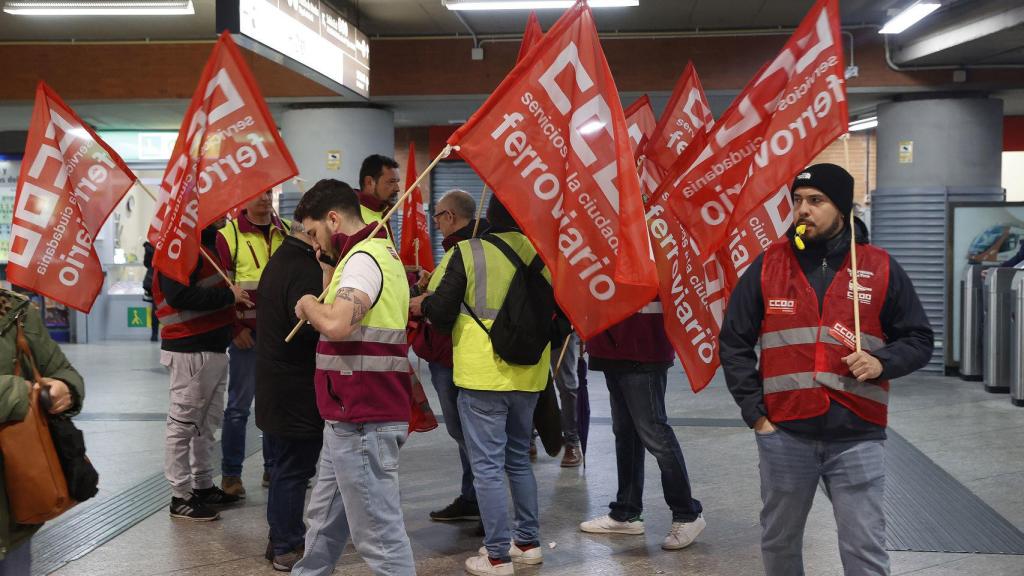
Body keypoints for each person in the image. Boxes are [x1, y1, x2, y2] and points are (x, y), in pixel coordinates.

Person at [719, 163, 934, 576]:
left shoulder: (879, 266)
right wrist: (755, 414)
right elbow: (734, 340)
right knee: (779, 544)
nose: (803, 210)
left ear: (842, 208)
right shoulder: (769, 266)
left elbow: (919, 339)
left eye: (816, 201)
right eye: (798, 201)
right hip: (785, 434)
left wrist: (882, 361)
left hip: (858, 434)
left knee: (865, 549)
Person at [412, 198, 549, 576]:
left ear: (490, 218)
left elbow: (440, 316)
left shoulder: (469, 252)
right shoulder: (544, 255)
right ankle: (528, 542)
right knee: (518, 459)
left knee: (487, 466)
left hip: (482, 374)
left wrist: (425, 305)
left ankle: (496, 556)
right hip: (530, 375)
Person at [291, 179, 415, 576]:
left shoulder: (363, 259)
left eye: (313, 232)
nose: (313, 242)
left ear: (333, 219)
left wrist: (309, 303)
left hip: (365, 418)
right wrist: (328, 269)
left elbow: (340, 324)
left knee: (378, 536)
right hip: (348, 416)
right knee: (323, 521)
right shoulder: (367, 253)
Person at [580, 303, 706, 549]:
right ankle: (627, 511)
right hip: (612, 344)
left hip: (642, 343)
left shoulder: (653, 262)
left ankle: (687, 513)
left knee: (654, 433)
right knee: (626, 433)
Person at [156, 220, 252, 521]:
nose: (225, 213)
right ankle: (180, 495)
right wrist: (228, 297)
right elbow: (178, 296)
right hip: (189, 348)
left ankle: (202, 484)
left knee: (206, 424)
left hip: (212, 348)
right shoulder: (178, 248)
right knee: (183, 424)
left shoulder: (210, 246)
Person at [254, 219, 325, 571]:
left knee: (285, 466)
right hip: (295, 386)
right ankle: (286, 545)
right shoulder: (304, 268)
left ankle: (279, 537)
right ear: (312, 231)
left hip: (275, 384)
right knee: (294, 469)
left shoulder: (280, 259)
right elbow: (309, 331)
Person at [0, 289, 84, 575]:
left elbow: (61, 369)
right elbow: (20, 391)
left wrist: (65, 389)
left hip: (16, 505)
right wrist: (19, 392)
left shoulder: (16, 312)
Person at [416, 189, 487, 524]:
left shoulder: (464, 249)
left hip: (453, 354)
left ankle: (487, 506)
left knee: (467, 435)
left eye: (439, 215)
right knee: (466, 437)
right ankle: (473, 497)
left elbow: (445, 308)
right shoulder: (459, 250)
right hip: (451, 353)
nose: (435, 221)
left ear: (452, 217)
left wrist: (423, 301)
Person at [216, 190, 291, 497]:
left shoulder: (287, 231)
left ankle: (273, 469)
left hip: (282, 335)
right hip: (247, 336)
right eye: (257, 193)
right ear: (243, 198)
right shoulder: (228, 235)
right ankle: (231, 475)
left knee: (275, 404)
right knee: (237, 408)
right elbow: (221, 286)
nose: (263, 199)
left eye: (269, 193)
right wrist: (235, 329)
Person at [551, 330, 581, 467]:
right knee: (528, 382)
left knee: (567, 384)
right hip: (529, 320)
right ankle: (528, 438)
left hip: (562, 322)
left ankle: (572, 441)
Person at [357, 154, 401, 235]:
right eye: (391, 181)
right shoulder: (351, 215)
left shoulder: (382, 211)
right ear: (369, 182)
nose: (397, 189)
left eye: (397, 182)